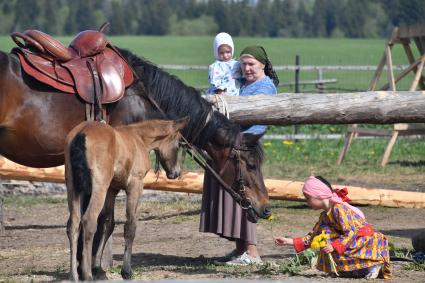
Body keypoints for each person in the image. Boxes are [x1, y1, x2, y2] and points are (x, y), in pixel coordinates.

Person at [200, 45, 278, 266]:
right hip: (230, 148)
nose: (247, 68)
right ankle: (240, 250)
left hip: (245, 149)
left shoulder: (266, 87)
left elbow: (256, 124)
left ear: (262, 65)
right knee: (232, 198)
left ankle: (252, 253)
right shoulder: (240, 83)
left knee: (245, 195)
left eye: (251, 64)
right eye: (243, 64)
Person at [274, 176, 392, 279]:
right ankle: (358, 269)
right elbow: (313, 237)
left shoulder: (339, 209)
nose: (307, 202)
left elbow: (352, 232)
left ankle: (374, 264)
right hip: (349, 241)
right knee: (324, 243)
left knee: (330, 244)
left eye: (308, 198)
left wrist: (334, 245)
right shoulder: (325, 216)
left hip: (365, 241)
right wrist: (288, 241)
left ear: (318, 195)